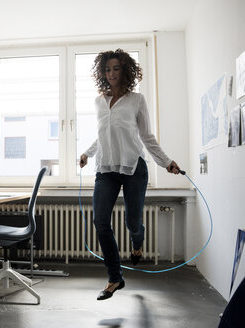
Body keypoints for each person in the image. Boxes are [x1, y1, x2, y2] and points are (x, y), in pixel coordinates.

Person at [79, 49, 181, 301]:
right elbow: (103, 134)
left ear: (125, 70)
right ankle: (115, 277)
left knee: (132, 222)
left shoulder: (137, 100)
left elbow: (146, 137)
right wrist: (87, 153)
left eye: (116, 68)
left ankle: (137, 243)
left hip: (133, 167)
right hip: (106, 169)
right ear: (102, 73)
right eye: (107, 69)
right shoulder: (98, 101)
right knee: (100, 221)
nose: (111, 73)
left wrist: (166, 162)